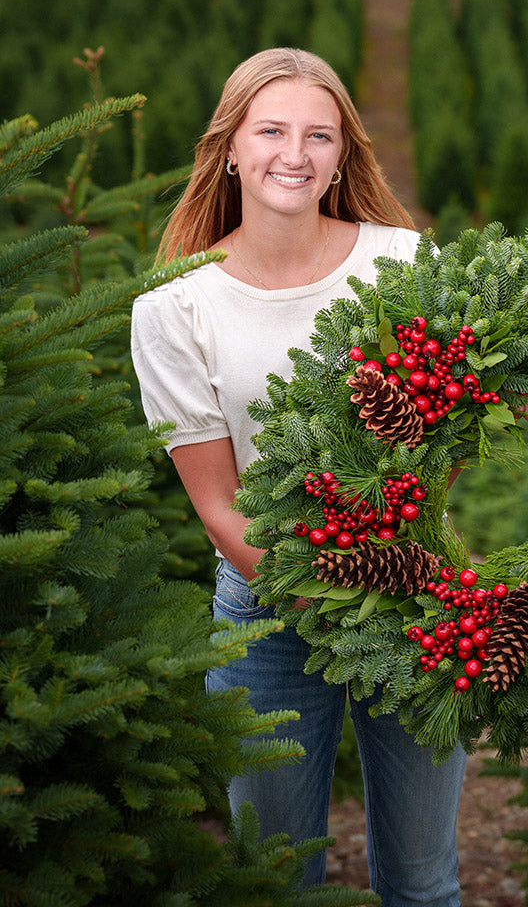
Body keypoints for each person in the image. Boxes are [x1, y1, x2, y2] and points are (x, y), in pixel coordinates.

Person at [130, 48, 465, 902]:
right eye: (271, 130)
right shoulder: (175, 307)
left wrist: (391, 590)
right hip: (268, 607)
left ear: (343, 154)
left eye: (320, 135)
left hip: (415, 595)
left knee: (425, 883)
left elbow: (454, 417)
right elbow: (217, 503)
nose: (295, 153)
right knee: (276, 884)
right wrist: (330, 598)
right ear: (230, 149)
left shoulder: (403, 262)